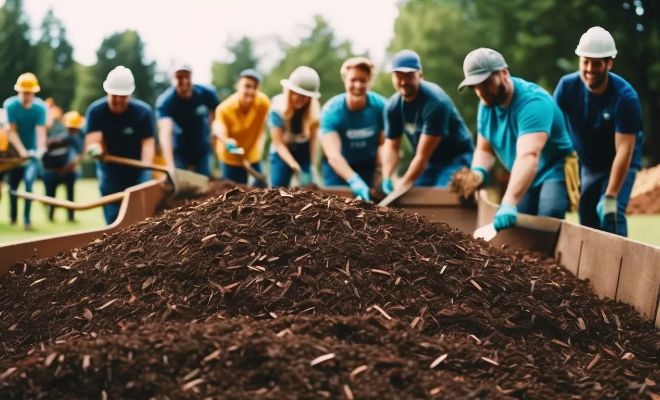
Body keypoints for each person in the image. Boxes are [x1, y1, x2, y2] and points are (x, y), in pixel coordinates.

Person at [455, 48, 575, 231]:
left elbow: (529, 156)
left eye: (486, 83)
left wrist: (509, 202)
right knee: (521, 226)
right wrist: (478, 173)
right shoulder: (486, 105)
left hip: (554, 168)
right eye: (474, 87)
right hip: (523, 170)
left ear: (504, 73)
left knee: (548, 214)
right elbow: (484, 149)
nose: (481, 92)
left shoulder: (533, 102)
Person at [554, 27, 643, 237]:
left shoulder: (625, 98)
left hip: (621, 160)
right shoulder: (567, 87)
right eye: (585, 61)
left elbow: (624, 150)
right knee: (587, 215)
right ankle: (590, 270)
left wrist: (611, 196)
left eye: (597, 63)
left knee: (611, 214)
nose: (590, 68)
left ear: (609, 63)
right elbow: (551, 128)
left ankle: (621, 268)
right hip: (589, 163)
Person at [382, 50, 474, 195]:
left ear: (420, 75)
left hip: (456, 158)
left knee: (441, 195)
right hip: (430, 163)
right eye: (399, 76)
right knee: (413, 195)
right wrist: (386, 176)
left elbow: (421, 156)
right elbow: (392, 147)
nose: (404, 82)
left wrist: (403, 184)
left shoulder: (436, 103)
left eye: (409, 76)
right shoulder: (392, 106)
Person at [85, 66, 156, 224]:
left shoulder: (143, 112)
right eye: (114, 95)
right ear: (107, 92)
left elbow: (148, 144)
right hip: (110, 168)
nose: (118, 100)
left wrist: (145, 168)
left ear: (130, 94)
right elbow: (93, 141)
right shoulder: (96, 111)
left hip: (138, 168)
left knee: (141, 216)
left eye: (122, 96)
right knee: (113, 215)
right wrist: (96, 149)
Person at [320, 57, 386, 201]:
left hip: (367, 165)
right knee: (335, 208)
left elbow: (384, 144)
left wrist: (383, 174)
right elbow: (333, 155)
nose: (358, 85)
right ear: (345, 80)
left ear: (369, 82)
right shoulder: (331, 111)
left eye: (363, 80)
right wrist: (353, 179)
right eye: (353, 80)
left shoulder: (380, 106)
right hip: (337, 168)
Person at [156, 64, 219, 176]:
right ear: (173, 80)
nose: (184, 81)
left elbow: (215, 118)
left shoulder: (207, 93)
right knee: (181, 183)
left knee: (204, 182)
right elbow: (165, 133)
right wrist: (170, 165)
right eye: (179, 77)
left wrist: (213, 141)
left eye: (187, 77)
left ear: (192, 77)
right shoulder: (165, 102)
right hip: (179, 150)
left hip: (202, 147)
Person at [3, 73, 48, 230]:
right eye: (23, 92)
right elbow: (12, 131)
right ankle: (13, 217)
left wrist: (41, 149)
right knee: (13, 187)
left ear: (34, 93)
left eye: (28, 92)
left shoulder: (40, 108)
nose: (25, 95)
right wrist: (21, 151)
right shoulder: (10, 105)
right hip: (15, 154)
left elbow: (41, 131)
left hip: (33, 155)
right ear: (18, 91)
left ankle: (27, 220)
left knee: (29, 184)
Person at [213, 69, 269, 186]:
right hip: (231, 157)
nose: (251, 91)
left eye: (255, 87)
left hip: (252, 153)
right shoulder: (224, 108)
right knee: (234, 193)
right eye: (247, 86)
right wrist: (226, 140)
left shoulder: (263, 103)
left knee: (261, 188)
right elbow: (217, 127)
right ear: (238, 86)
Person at [268, 66, 321, 188]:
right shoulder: (277, 107)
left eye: (306, 96)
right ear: (290, 91)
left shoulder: (314, 110)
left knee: (308, 188)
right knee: (277, 189)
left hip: (303, 150)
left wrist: (312, 166)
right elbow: (278, 143)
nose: (302, 100)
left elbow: (313, 141)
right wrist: (293, 165)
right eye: (298, 94)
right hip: (281, 151)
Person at [42, 111, 85, 222]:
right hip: (54, 171)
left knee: (69, 194)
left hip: (68, 171)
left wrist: (68, 168)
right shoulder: (60, 135)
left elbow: (79, 155)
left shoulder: (78, 138)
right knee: (51, 195)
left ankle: (70, 216)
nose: (72, 130)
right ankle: (51, 216)